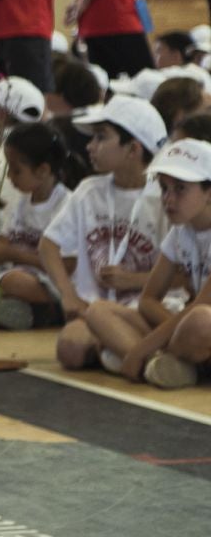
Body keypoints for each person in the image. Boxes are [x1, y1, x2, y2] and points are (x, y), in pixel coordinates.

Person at [40, 95, 165, 369]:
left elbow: (181, 273)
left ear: (133, 149)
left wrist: (134, 279)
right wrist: (68, 294)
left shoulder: (164, 196)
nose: (90, 146)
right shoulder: (89, 191)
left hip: (147, 311)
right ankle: (129, 354)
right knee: (70, 348)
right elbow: (48, 245)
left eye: (100, 138)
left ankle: (144, 360)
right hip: (94, 311)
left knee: (100, 331)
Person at [80, 138, 211, 387]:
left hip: (201, 326)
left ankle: (154, 360)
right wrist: (155, 339)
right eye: (164, 188)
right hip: (186, 330)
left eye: (181, 188)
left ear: (209, 192)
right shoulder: (180, 233)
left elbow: (200, 308)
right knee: (98, 310)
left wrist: (138, 348)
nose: (168, 199)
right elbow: (148, 300)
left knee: (201, 320)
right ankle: (165, 364)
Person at [0, 124, 75, 330]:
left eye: (16, 170)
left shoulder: (66, 204)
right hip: (16, 275)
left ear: (43, 170)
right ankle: (26, 313)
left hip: (50, 283)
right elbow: (9, 239)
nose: (9, 176)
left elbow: (68, 266)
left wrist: (13, 254)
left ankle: (53, 309)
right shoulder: (23, 201)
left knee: (13, 282)